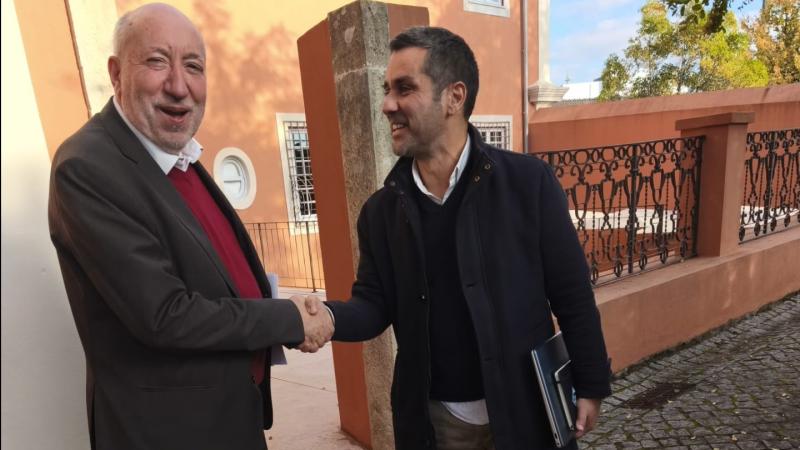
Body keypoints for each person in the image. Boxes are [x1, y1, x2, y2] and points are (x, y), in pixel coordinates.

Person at [297, 27, 612, 449]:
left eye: (404, 88)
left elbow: (571, 293)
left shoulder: (528, 183)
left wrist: (590, 383)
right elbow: (374, 303)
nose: (387, 105)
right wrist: (330, 318)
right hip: (436, 424)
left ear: (454, 97)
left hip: (527, 410)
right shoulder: (380, 212)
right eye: (387, 90)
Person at [47, 4, 332, 450]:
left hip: (230, 415)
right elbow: (164, 315)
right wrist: (287, 320)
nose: (179, 86)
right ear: (117, 73)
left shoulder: (175, 155)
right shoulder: (87, 167)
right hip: (168, 432)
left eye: (193, 66)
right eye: (157, 61)